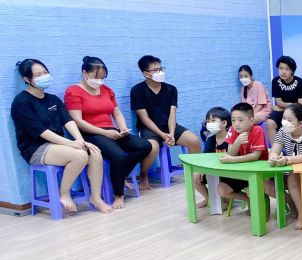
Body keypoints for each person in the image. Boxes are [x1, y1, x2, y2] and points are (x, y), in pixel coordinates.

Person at [11, 58, 111, 214]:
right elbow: (41, 131)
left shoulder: (53, 99)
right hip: (35, 148)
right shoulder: (21, 102)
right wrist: (71, 144)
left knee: (95, 153)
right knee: (79, 156)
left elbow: (68, 121)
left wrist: (80, 140)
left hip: (58, 145)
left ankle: (96, 198)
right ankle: (63, 193)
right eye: (38, 75)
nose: (43, 76)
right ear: (27, 79)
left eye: (45, 72)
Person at [65, 56, 150, 209]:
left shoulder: (107, 90)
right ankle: (118, 194)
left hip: (111, 131)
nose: (99, 81)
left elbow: (116, 113)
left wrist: (122, 128)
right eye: (96, 76)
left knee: (144, 146)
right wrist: (105, 133)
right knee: (119, 155)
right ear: (85, 73)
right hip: (90, 134)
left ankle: (121, 175)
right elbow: (78, 121)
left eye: (102, 77)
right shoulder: (73, 91)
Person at [131, 55, 203, 190]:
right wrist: (162, 135)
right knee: (152, 148)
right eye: (156, 70)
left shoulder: (171, 89)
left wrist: (171, 133)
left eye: (161, 69)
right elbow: (144, 118)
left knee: (194, 141)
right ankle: (144, 175)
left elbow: (172, 113)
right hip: (149, 129)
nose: (161, 72)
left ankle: (196, 174)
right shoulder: (137, 91)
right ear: (146, 74)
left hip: (170, 127)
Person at [267, 103, 302, 229]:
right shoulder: (282, 132)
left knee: (292, 178)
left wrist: (288, 160)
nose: (284, 122)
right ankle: (293, 206)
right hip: (289, 171)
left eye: (289, 119)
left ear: (301, 123)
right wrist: (273, 157)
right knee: (266, 183)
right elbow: (274, 150)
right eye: (283, 118)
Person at [217, 103, 268, 210]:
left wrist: (233, 160)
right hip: (241, 171)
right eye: (233, 120)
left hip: (257, 172)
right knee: (222, 190)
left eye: (240, 120)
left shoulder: (257, 130)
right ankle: (248, 200)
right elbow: (230, 154)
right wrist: (237, 142)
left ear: (251, 121)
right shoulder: (232, 130)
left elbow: (255, 156)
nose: (236, 124)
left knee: (259, 190)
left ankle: (261, 204)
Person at [193, 106, 231, 208]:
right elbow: (205, 157)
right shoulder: (210, 139)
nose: (209, 124)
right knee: (195, 177)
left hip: (229, 172)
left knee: (223, 188)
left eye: (213, 121)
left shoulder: (231, 138)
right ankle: (209, 198)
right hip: (214, 171)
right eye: (208, 121)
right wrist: (199, 170)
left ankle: (226, 201)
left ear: (224, 123)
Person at [268, 56, 302, 144]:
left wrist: (284, 107)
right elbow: (279, 102)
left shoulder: (300, 83)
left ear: (292, 70)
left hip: (296, 113)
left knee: (291, 123)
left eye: (287, 69)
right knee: (269, 123)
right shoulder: (275, 81)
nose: (283, 71)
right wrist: (290, 105)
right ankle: (275, 149)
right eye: (281, 68)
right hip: (282, 112)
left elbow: (300, 105)